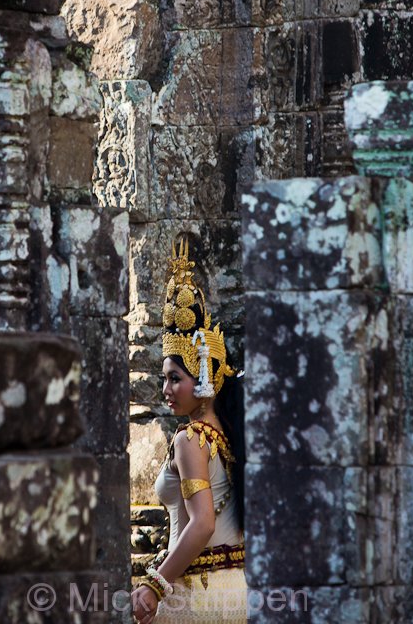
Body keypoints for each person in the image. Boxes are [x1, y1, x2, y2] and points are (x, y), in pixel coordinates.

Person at [132, 239, 247, 624]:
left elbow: (202, 524)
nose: (165, 390)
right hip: (237, 589)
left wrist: (154, 585)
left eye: (175, 379)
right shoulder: (230, 432)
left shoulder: (190, 438)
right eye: (164, 379)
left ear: (204, 378)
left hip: (198, 595)